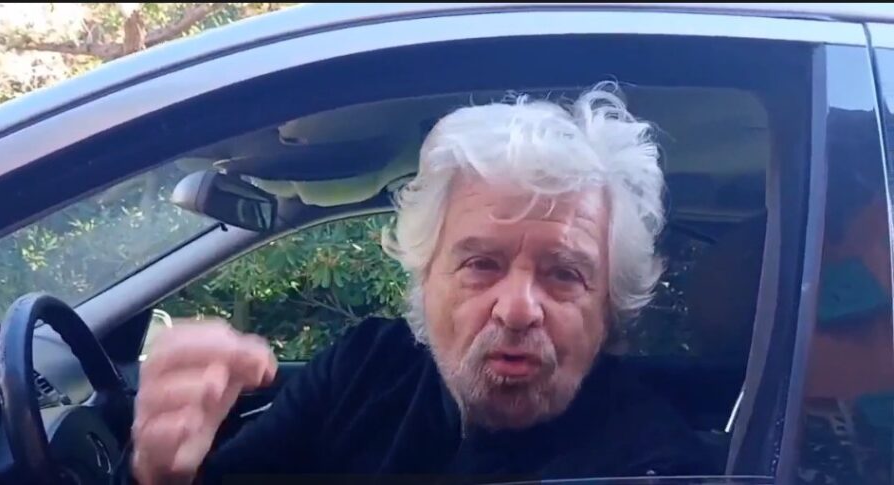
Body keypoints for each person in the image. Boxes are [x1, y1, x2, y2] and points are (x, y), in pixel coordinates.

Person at [127, 83, 713, 485]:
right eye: (481, 264)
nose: (516, 309)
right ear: (425, 276)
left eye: (564, 274)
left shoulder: (651, 465)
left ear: (609, 306)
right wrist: (163, 471)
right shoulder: (367, 367)